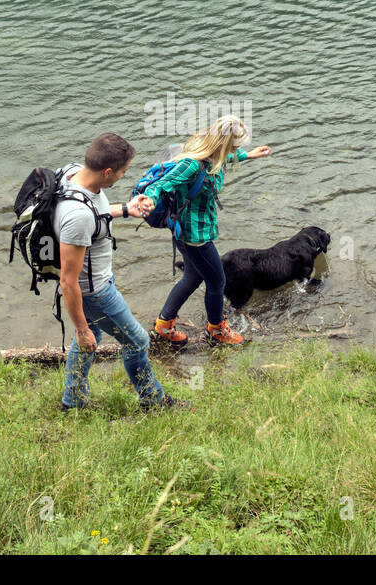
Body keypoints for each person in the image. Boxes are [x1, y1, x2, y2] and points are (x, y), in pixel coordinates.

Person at [57, 133, 184, 411]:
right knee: (137, 341)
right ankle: (154, 401)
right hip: (95, 291)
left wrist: (127, 209)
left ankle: (72, 402)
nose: (122, 177)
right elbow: (68, 281)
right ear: (107, 171)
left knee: (93, 339)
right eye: (123, 172)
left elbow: (96, 214)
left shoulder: (73, 173)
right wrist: (79, 327)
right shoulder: (76, 217)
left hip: (94, 285)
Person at [141, 115, 271, 347]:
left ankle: (163, 325)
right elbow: (158, 186)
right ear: (222, 144)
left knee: (192, 277)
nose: (237, 150)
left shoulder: (213, 157)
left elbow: (225, 158)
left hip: (192, 231)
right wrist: (148, 200)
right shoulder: (191, 164)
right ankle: (216, 330)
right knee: (217, 282)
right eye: (235, 146)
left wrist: (248, 155)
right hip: (194, 237)